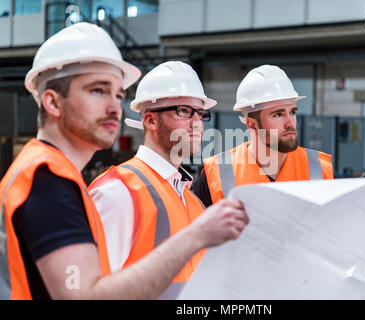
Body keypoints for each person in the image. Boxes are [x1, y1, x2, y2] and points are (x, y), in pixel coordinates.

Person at [0, 23, 248, 300]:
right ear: (53, 102)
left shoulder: (57, 178)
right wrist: (196, 236)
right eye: (97, 90)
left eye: (118, 94)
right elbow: (81, 296)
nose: (114, 107)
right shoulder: (49, 181)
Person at [88, 61, 226, 299]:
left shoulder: (190, 200)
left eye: (201, 113)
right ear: (150, 120)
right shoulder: (118, 192)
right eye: (184, 111)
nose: (197, 123)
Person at [193, 65, 334, 207]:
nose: (290, 123)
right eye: (278, 114)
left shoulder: (320, 169)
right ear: (252, 124)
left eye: (292, 112)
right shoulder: (215, 176)